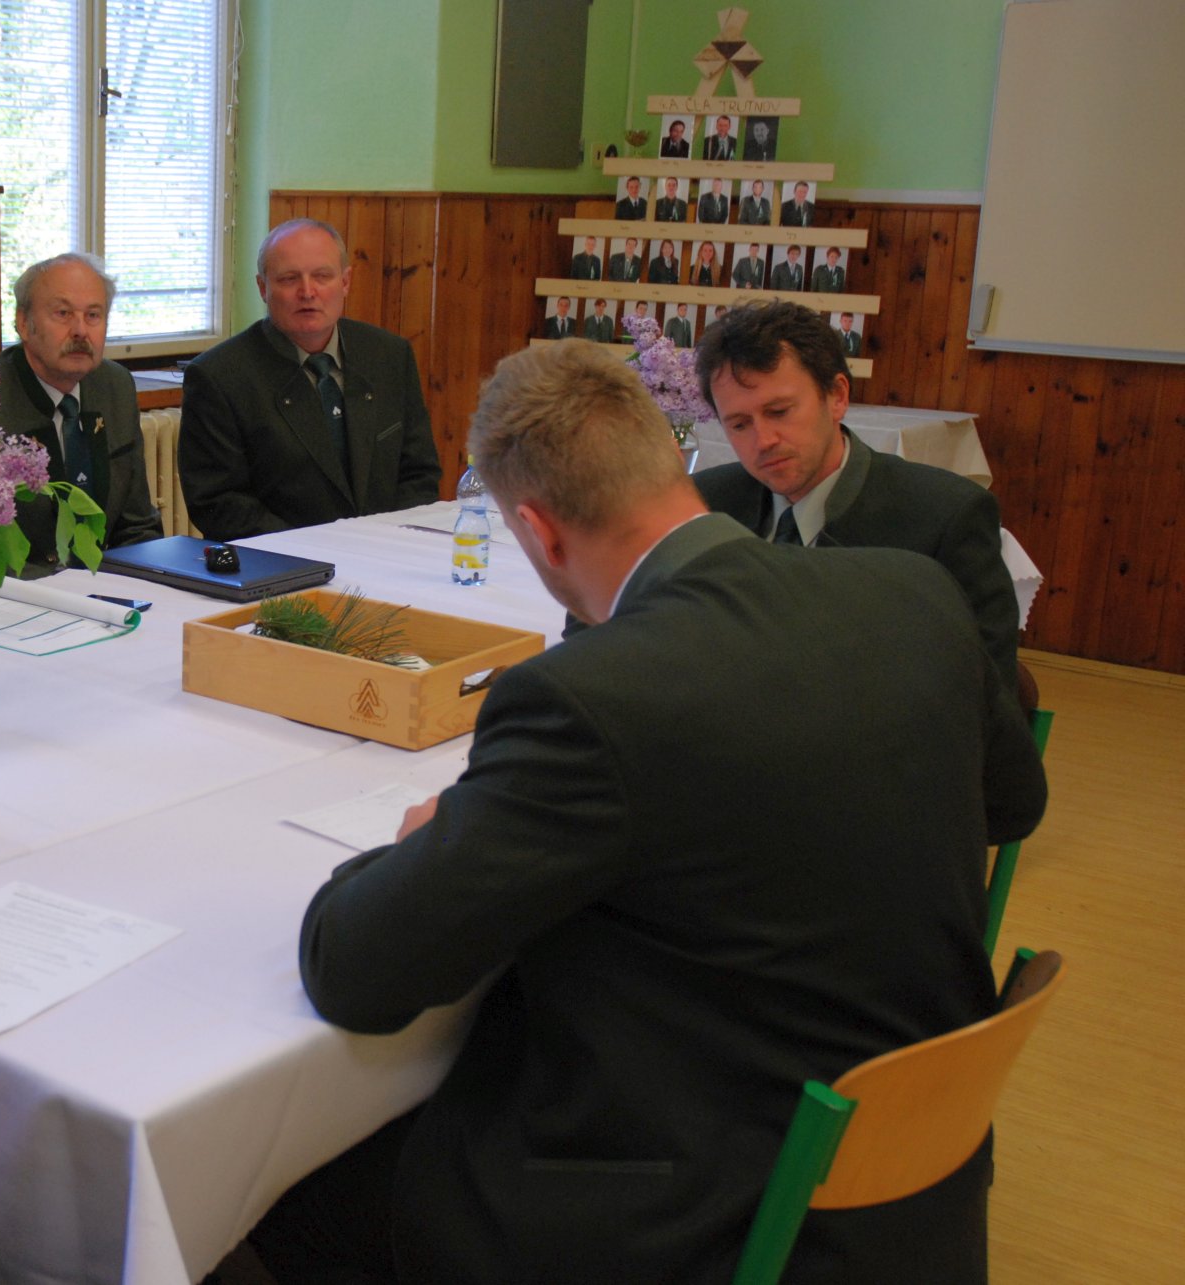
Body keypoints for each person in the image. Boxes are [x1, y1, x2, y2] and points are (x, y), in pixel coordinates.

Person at [245, 338, 1046, 1284]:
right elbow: (1014, 801)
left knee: (275, 1194)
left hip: (709, 1207)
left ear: (538, 531)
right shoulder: (914, 593)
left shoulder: (590, 697)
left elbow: (354, 969)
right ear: (676, 462)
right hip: (916, 1167)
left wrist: (419, 845)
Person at [693, 301, 1019, 687]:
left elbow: (984, 691)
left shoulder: (945, 518)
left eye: (779, 411)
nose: (763, 441)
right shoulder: (704, 504)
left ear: (837, 397)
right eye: (739, 424)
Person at [178, 219, 440, 541]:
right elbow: (218, 503)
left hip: (388, 549)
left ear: (345, 282)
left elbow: (419, 474)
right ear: (263, 288)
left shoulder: (389, 355)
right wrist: (315, 550)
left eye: (322, 276)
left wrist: (386, 541)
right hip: (282, 559)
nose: (307, 292)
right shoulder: (219, 376)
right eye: (289, 279)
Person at [0, 252, 161, 577]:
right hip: (21, 592)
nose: (80, 331)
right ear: (24, 323)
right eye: (63, 314)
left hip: (108, 586)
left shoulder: (115, 386)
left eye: (93, 315)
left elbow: (138, 526)